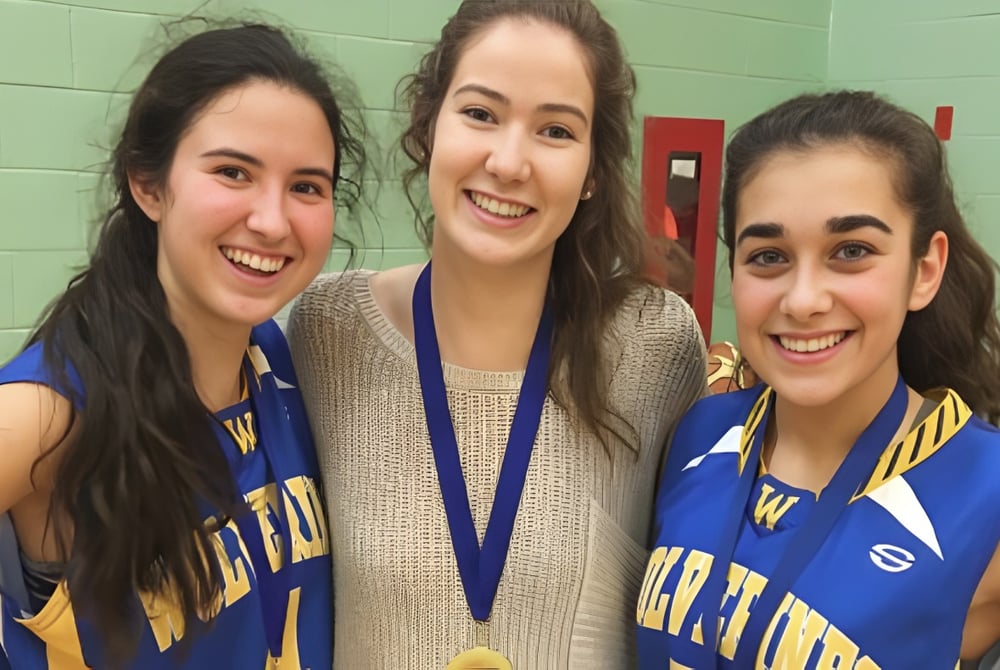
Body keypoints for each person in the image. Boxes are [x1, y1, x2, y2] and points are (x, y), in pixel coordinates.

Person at [287, 0, 707, 667]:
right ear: (428, 126)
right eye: (480, 114)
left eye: (556, 131)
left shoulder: (654, 345)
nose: (509, 162)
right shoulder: (329, 332)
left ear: (594, 170)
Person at [0, 23, 367, 668]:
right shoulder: (52, 408)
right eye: (233, 172)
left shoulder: (279, 362)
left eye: (306, 185)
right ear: (149, 185)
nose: (273, 220)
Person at [636, 90, 1000, 668]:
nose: (803, 300)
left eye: (851, 250)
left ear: (923, 269)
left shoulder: (986, 490)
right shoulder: (699, 431)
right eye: (769, 256)